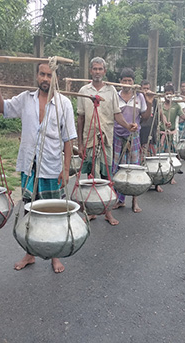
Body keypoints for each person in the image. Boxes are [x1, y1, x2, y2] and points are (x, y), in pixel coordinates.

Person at [0, 62, 76, 274]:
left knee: (53, 212)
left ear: (56, 78)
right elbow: (1, 108)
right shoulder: (26, 99)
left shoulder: (64, 104)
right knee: (28, 211)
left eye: (49, 75)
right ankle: (30, 253)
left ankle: (55, 255)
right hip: (29, 166)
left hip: (52, 166)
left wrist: (66, 167)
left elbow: (69, 138)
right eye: (42, 74)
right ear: (37, 76)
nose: (45, 79)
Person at [77, 57, 137, 226]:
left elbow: (116, 114)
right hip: (89, 140)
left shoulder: (111, 91)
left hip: (106, 140)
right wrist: (80, 143)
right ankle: (91, 211)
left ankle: (107, 212)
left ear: (104, 71)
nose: (97, 72)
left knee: (106, 176)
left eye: (100, 69)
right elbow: (80, 118)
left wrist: (127, 126)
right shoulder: (84, 90)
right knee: (91, 177)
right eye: (94, 69)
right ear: (90, 71)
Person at [112, 68, 152, 213]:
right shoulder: (115, 96)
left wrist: (150, 103)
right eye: (124, 81)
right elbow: (114, 116)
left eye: (130, 81)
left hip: (134, 137)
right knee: (116, 168)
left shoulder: (139, 97)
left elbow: (145, 117)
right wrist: (127, 126)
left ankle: (135, 201)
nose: (127, 83)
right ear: (120, 82)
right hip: (117, 135)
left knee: (134, 168)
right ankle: (119, 199)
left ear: (133, 82)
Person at [139, 80, 158, 157]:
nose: (146, 90)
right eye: (144, 88)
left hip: (151, 129)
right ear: (141, 89)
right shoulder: (138, 99)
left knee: (151, 153)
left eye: (148, 88)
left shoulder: (154, 100)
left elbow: (158, 113)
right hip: (141, 129)